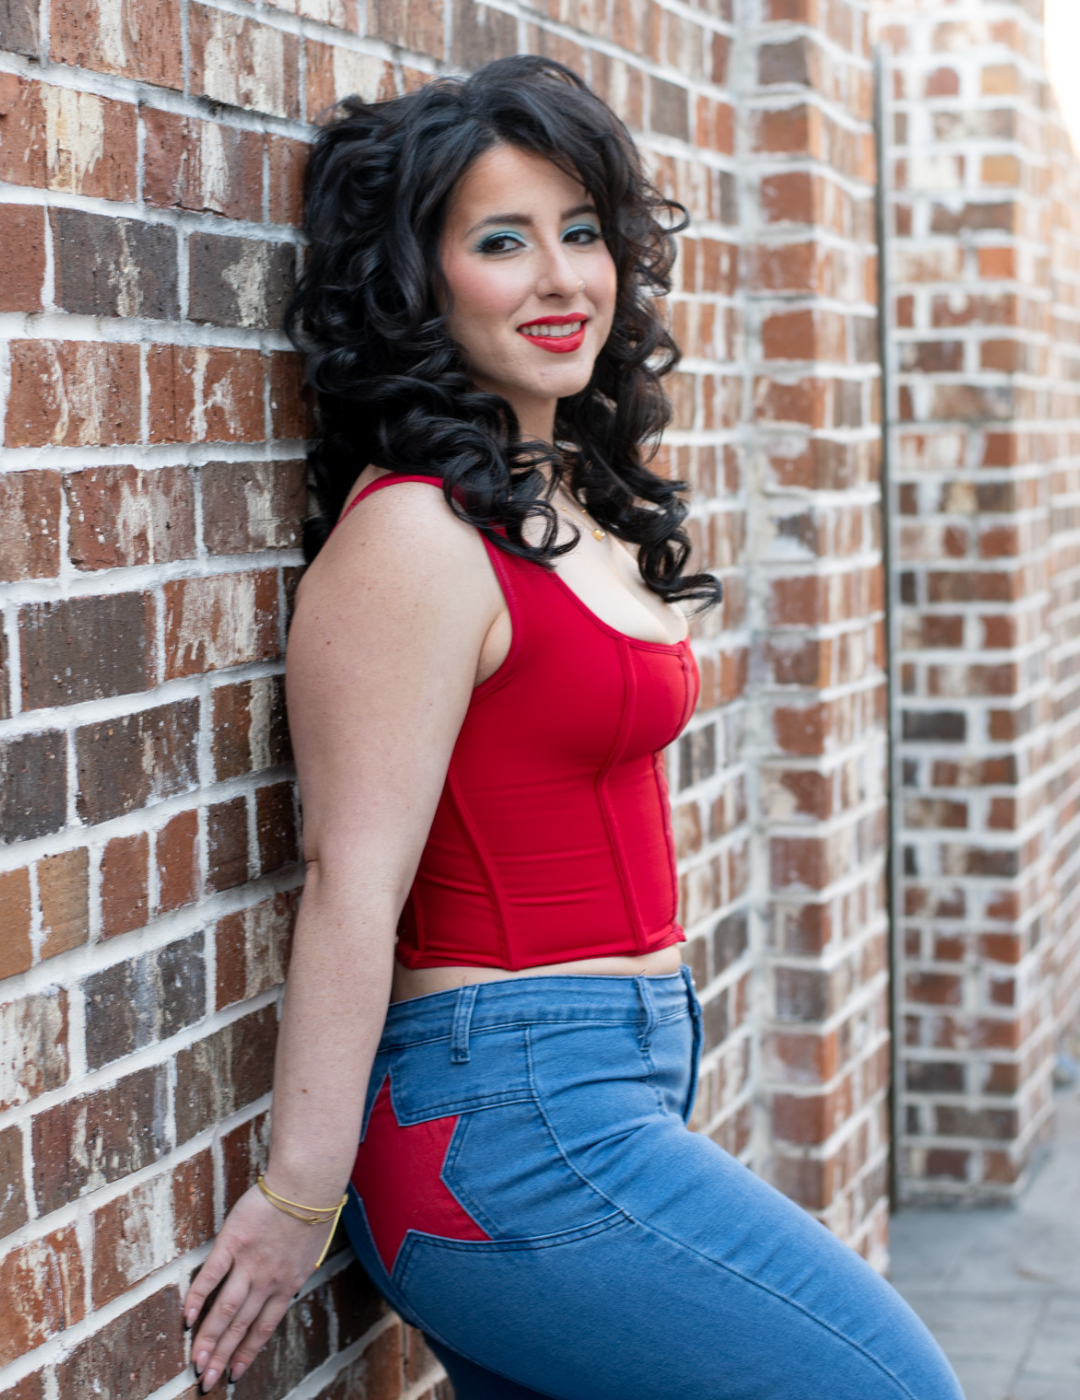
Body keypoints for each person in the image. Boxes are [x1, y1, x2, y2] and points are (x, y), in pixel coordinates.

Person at [182, 56, 964, 1400]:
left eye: (582, 232)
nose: (561, 279)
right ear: (422, 282)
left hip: (607, 1083)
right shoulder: (414, 538)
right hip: (508, 1117)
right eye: (502, 242)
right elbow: (352, 885)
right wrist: (295, 1201)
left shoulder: (559, 508)